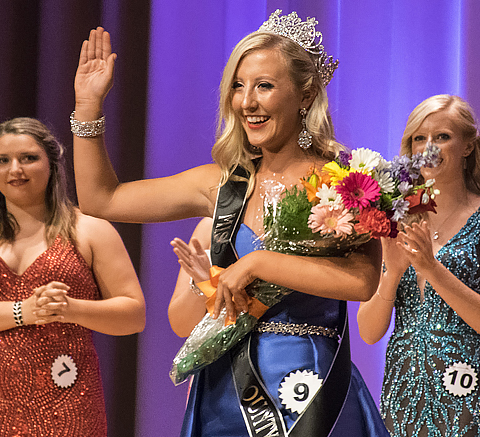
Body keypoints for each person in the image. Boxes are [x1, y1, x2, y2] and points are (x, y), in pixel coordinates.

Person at [72, 10, 389, 437]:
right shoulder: (221, 184)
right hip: (227, 398)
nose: (246, 102)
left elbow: (362, 282)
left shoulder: (346, 180)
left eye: (264, 86)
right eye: (238, 87)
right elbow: (101, 198)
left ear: (306, 93)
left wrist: (258, 264)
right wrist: (88, 107)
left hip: (311, 390)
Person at [0, 117, 145, 437]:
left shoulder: (90, 230)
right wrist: (23, 311)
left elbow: (134, 314)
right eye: (2, 160)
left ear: (52, 163)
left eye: (28, 158)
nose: (14, 169)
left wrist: (69, 309)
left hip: (68, 402)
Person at [356, 95, 480, 437]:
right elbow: (369, 332)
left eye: (442, 137)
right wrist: (393, 273)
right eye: (419, 138)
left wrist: (432, 269)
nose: (428, 147)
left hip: (469, 396)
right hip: (404, 397)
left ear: (468, 147)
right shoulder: (392, 217)